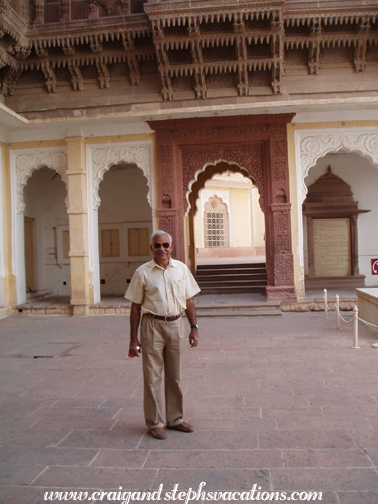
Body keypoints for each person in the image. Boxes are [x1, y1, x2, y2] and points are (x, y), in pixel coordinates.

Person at [125, 230, 201, 440]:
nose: (162, 249)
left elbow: (189, 301)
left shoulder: (181, 270)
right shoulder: (143, 272)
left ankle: (175, 419)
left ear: (171, 247)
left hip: (176, 325)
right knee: (152, 377)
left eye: (165, 245)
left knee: (174, 376)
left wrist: (194, 327)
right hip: (151, 326)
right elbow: (135, 306)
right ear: (151, 248)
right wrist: (134, 338)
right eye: (157, 246)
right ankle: (155, 422)